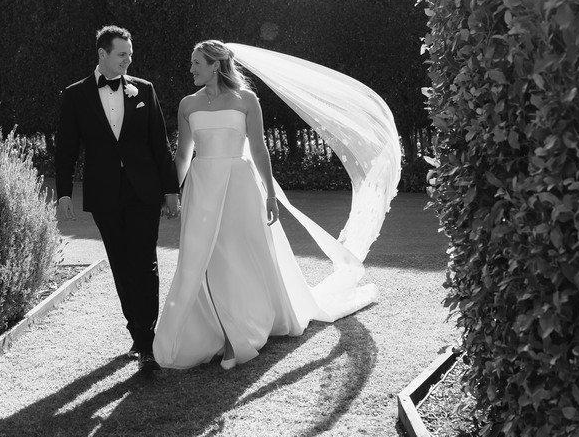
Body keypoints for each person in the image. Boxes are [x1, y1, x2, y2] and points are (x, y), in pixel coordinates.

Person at [152, 40, 397, 370]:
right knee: (201, 257)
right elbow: (183, 154)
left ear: (215, 65)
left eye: (197, 62)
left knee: (235, 255)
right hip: (202, 187)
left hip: (239, 186)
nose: (191, 68)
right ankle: (207, 329)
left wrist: (269, 193)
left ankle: (238, 334)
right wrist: (172, 192)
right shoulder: (188, 104)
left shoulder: (246, 100)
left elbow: (258, 149)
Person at [55, 25, 180, 371]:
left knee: (144, 261)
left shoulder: (145, 89)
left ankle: (147, 343)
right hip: (104, 192)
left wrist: (170, 190)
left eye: (130, 54)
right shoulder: (76, 95)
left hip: (144, 191)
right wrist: (63, 192)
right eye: (122, 54)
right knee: (121, 263)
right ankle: (136, 329)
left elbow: (160, 143)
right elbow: (66, 148)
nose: (128, 60)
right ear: (103, 54)